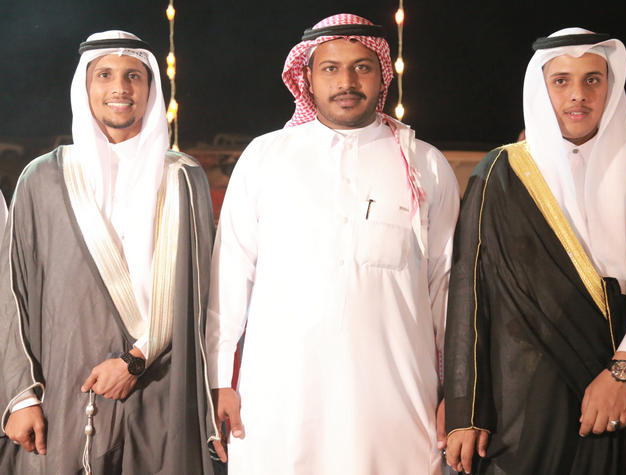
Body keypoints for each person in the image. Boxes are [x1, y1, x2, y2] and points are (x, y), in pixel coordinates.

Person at [206, 13, 460, 475]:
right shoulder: (265, 157)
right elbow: (230, 274)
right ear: (306, 77)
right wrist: (220, 378)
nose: (347, 82)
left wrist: (457, 392)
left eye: (362, 67)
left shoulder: (425, 164)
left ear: (382, 75)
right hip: (281, 399)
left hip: (397, 403)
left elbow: (446, 286)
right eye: (331, 68)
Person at [444, 28, 626, 475]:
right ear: (540, 89)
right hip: (525, 402)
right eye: (561, 80)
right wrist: (465, 412)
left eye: (592, 80)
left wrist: (623, 370)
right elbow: (471, 294)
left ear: (610, 87)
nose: (578, 94)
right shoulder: (500, 174)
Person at [0, 31, 218, 474]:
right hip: (65, 386)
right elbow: (11, 292)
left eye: (133, 76)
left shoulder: (183, 176)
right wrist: (21, 396)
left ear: (150, 89)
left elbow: (203, 292)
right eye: (105, 75)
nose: (120, 87)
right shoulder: (43, 177)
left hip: (161, 382)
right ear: (84, 86)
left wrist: (136, 360)